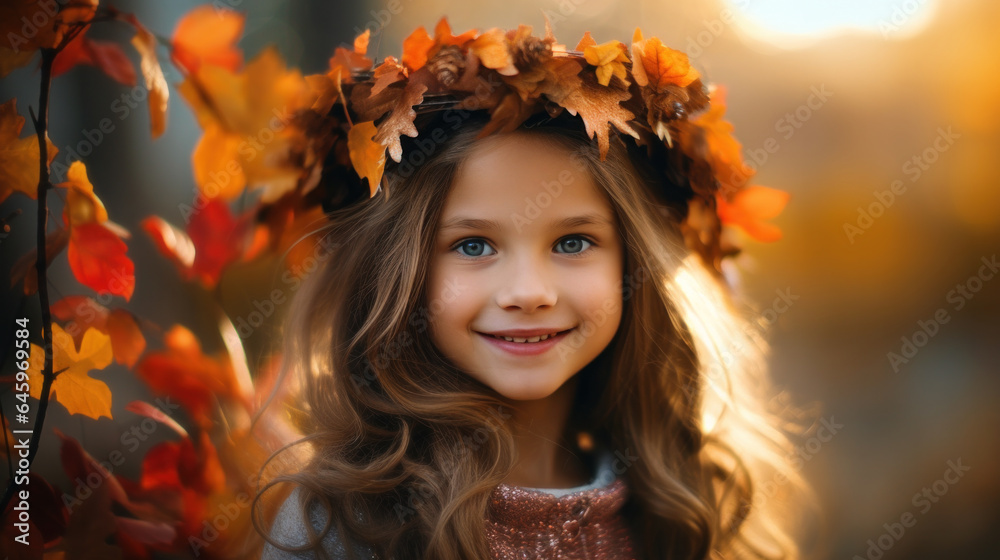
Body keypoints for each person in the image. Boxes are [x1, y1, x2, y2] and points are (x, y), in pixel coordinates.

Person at [253, 16, 813, 560]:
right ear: (397, 273)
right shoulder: (344, 524)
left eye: (572, 243)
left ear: (633, 264)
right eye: (473, 246)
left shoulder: (687, 503)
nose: (528, 292)